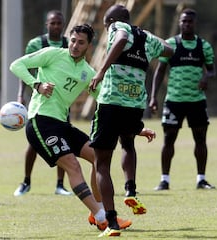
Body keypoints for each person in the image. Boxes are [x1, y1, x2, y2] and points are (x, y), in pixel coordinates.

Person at [10, 23, 156, 234]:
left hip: (62, 124)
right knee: (72, 165)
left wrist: (137, 128)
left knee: (99, 157)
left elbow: (107, 102)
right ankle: (101, 217)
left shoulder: (88, 73)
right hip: (40, 121)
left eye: (81, 42)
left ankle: (97, 209)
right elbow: (16, 65)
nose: (75, 46)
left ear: (89, 45)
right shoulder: (52, 54)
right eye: (72, 40)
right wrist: (37, 84)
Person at [88, 4, 174, 237]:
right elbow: (168, 50)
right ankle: (131, 190)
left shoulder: (118, 26)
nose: (107, 30)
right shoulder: (146, 37)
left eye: (106, 25)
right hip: (135, 104)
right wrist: (147, 37)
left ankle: (113, 224)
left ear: (112, 20)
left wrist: (101, 71)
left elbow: (122, 37)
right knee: (128, 143)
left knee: (102, 163)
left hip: (111, 102)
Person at [149, 8, 216, 191]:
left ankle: (201, 179)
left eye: (190, 22)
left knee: (200, 139)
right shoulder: (170, 45)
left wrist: (206, 77)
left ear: (195, 24)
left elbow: (211, 69)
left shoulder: (204, 46)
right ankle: (164, 180)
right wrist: (153, 97)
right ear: (180, 23)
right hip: (174, 100)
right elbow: (159, 71)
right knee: (168, 139)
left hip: (196, 101)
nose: (186, 24)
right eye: (183, 21)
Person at [14, 10, 72, 197]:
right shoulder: (36, 44)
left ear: (63, 25)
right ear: (46, 24)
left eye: (59, 23)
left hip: (60, 103)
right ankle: (26, 181)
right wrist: (20, 94)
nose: (56, 26)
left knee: (63, 141)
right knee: (33, 142)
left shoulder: (68, 44)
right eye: (52, 23)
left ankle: (60, 185)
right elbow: (26, 67)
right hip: (40, 102)